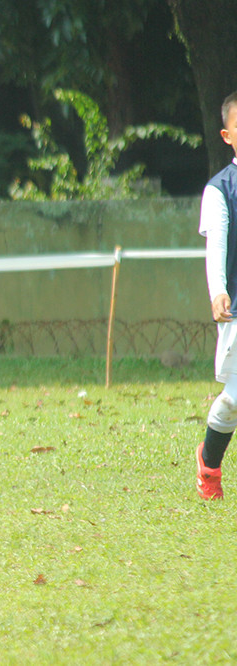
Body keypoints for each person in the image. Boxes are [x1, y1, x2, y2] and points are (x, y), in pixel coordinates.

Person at [196, 90, 237, 500]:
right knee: (233, 402)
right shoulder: (220, 189)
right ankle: (209, 465)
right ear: (227, 136)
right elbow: (218, 242)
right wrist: (218, 291)